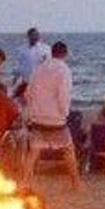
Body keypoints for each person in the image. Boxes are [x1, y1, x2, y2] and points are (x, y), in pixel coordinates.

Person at [22, 41, 78, 189]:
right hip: (56, 119)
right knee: (68, 150)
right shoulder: (64, 70)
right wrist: (64, 113)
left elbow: (28, 93)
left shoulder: (38, 69)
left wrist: (33, 112)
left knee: (33, 152)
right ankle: (75, 183)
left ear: (52, 52)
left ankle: (25, 182)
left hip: (38, 117)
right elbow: (63, 95)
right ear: (65, 54)